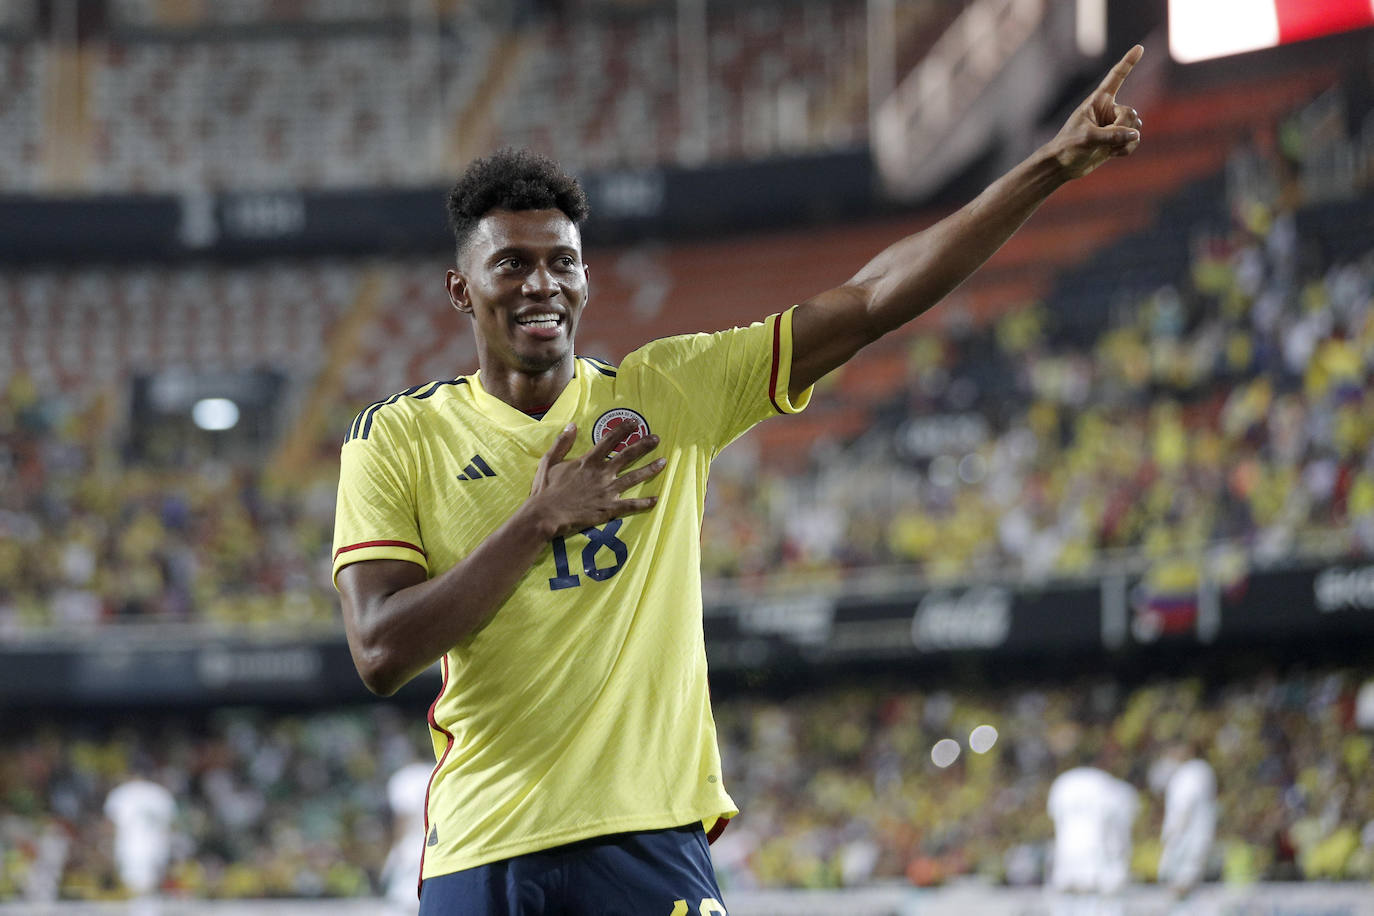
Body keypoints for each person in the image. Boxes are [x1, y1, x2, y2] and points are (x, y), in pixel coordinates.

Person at [333, 44, 1145, 915]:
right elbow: (381, 651)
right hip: (486, 843)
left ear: (586, 278)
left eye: (562, 263)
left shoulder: (670, 392)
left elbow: (872, 300)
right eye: (513, 265)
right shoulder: (398, 438)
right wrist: (536, 523)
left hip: (649, 836)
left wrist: (1047, 169)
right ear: (462, 290)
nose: (543, 284)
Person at [1046, 761, 1139, 916]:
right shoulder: (1109, 787)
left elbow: (1056, 818)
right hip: (1098, 862)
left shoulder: (1064, 783)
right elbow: (1118, 830)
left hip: (1067, 859)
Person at [1155, 741, 1218, 902]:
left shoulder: (1191, 773)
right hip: (1197, 838)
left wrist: (1174, 833)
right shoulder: (1202, 771)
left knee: (1180, 886)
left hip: (1187, 838)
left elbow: (1185, 807)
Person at [103, 768, 177, 899]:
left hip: (129, 849)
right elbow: (171, 826)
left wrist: (109, 851)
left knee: (134, 892)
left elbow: (110, 827)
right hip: (156, 849)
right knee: (151, 891)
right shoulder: (160, 793)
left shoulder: (121, 793)